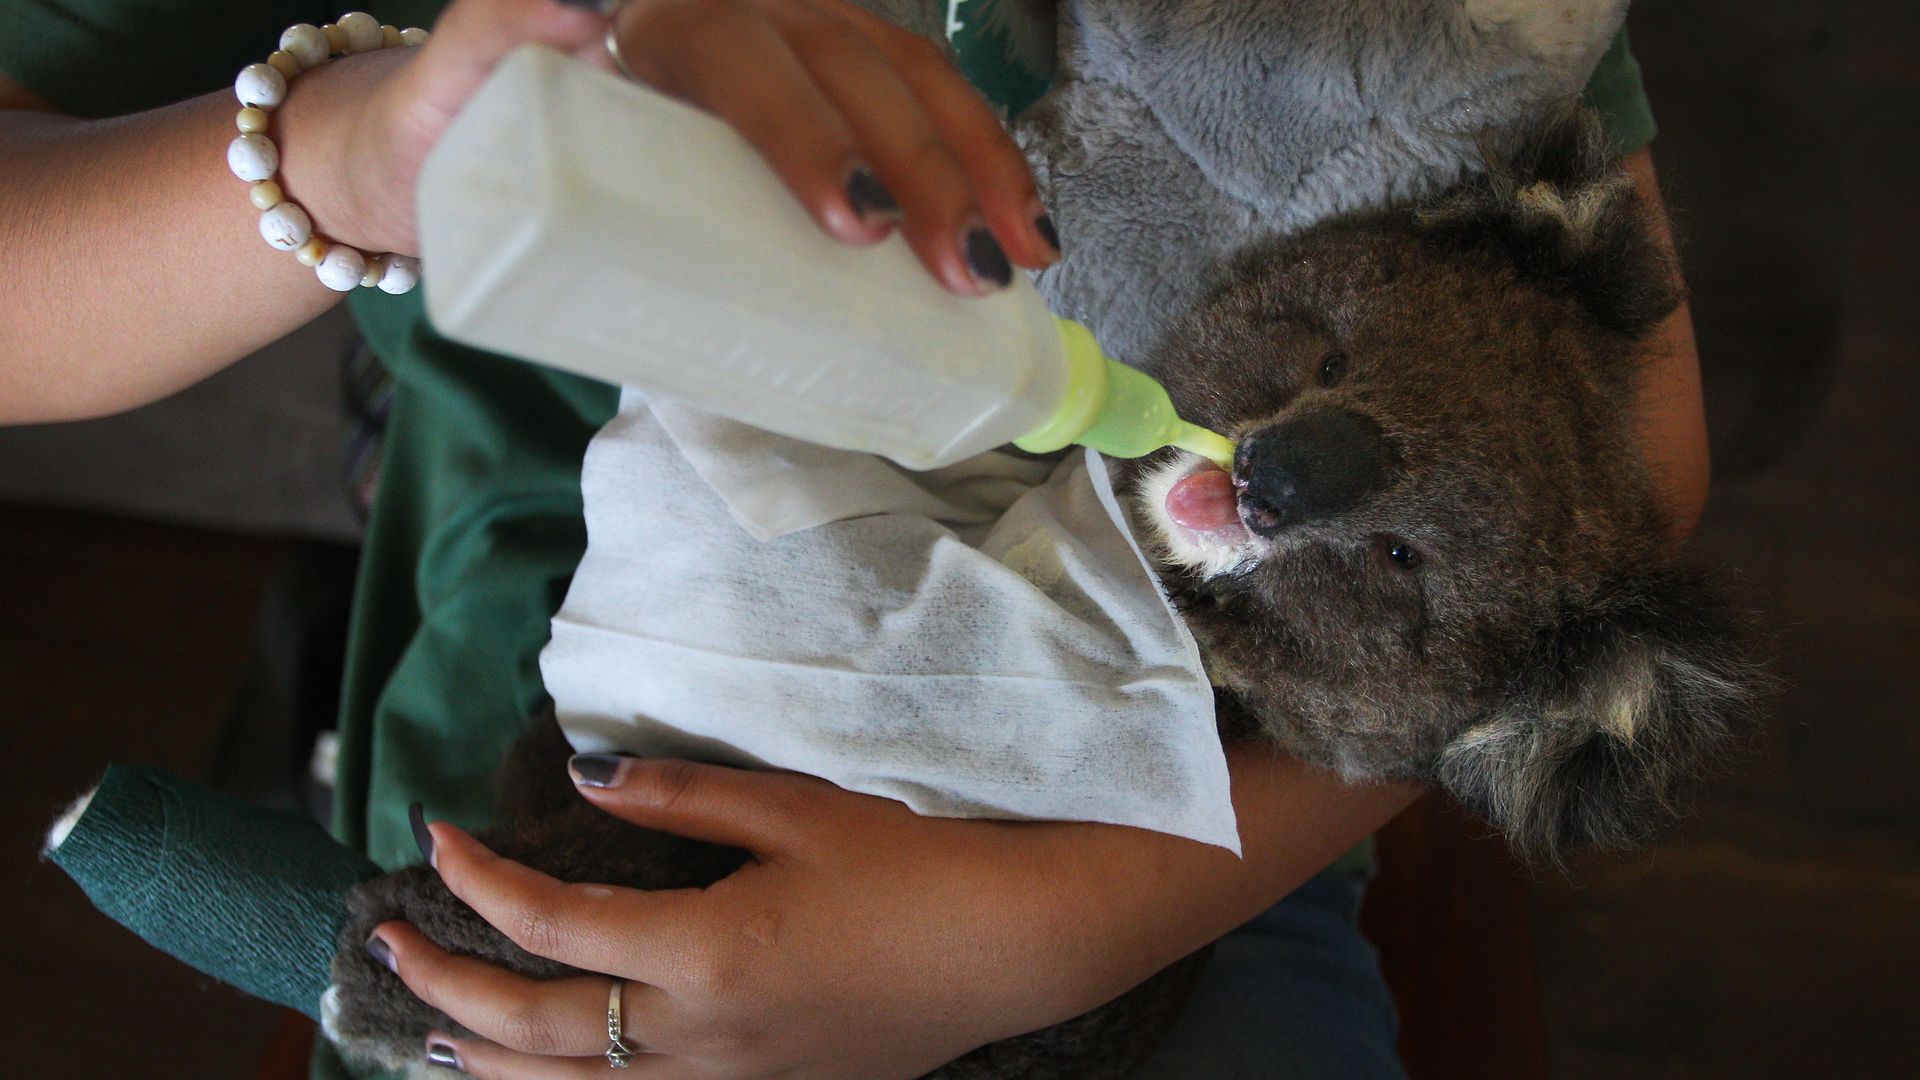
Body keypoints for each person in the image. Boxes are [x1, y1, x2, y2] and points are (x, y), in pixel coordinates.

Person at [0, 1, 1705, 1076]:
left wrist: (1061, 928)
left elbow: (1623, 459)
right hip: (583, 719)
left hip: (1197, 817)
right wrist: (357, 151)